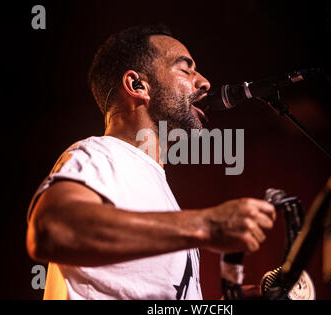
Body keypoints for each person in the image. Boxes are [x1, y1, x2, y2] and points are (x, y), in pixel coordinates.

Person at [26, 25, 276, 300]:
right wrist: (206, 225)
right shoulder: (100, 154)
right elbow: (51, 228)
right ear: (137, 85)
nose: (204, 82)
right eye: (186, 69)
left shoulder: (153, 181)